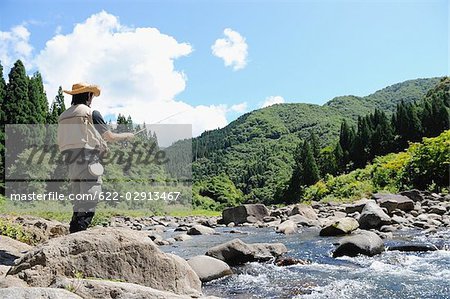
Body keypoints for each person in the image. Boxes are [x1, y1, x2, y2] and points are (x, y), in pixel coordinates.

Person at [57, 83, 134, 233]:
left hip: (69, 160)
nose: (92, 98)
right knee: (91, 196)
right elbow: (109, 137)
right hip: (88, 158)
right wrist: (127, 136)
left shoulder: (63, 116)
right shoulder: (90, 113)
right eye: (91, 95)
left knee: (78, 198)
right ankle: (79, 233)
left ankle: (73, 231)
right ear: (88, 95)